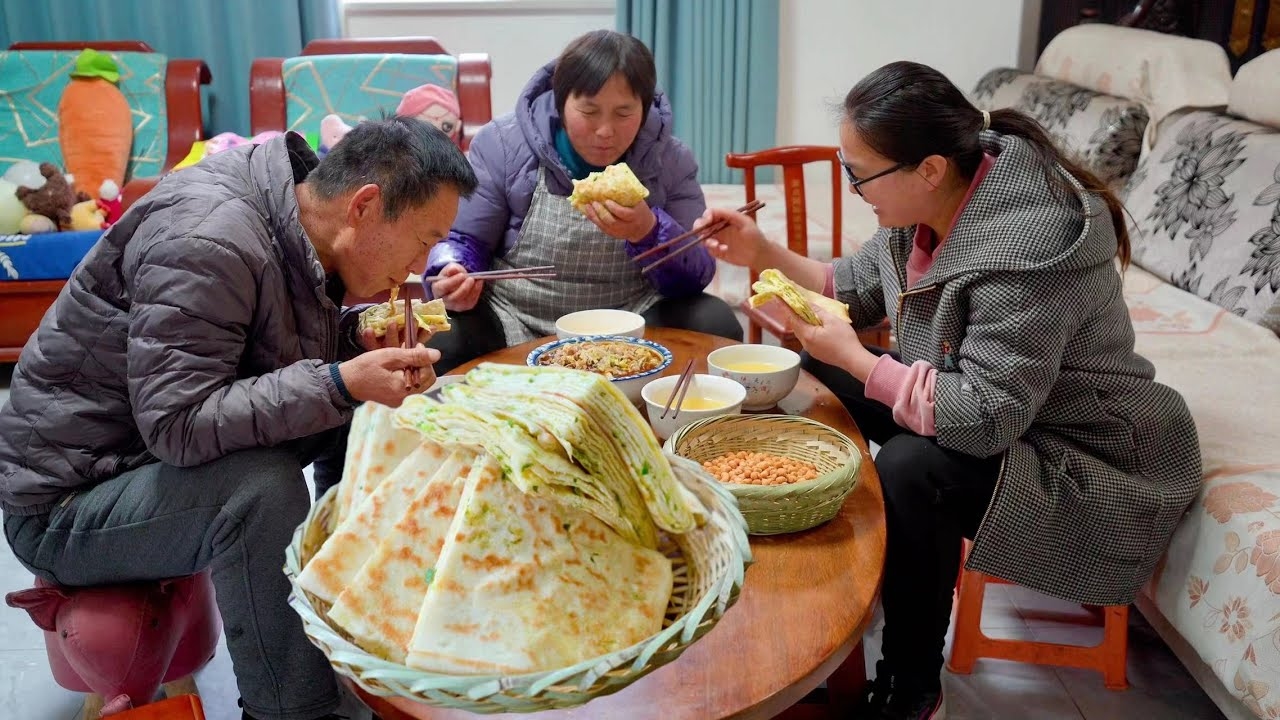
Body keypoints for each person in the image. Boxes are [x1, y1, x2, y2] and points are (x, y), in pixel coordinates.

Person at [697, 61, 1202, 719]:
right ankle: (825, 569)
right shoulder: (934, 198)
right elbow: (853, 286)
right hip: (999, 411)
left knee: (912, 468)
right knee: (812, 370)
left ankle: (911, 686)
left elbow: (990, 417)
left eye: (859, 173)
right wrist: (761, 250)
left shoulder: (1030, 244)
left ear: (928, 168)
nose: (853, 188)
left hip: (1079, 454)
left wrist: (855, 354)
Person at [0, 117, 478, 720]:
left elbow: (254, 353)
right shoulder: (208, 239)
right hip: (66, 500)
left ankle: (350, 597)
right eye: (423, 239)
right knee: (261, 490)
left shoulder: (294, 219)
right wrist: (337, 378)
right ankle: (293, 711)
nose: (419, 267)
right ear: (365, 206)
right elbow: (178, 423)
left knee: (356, 400)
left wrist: (351, 341)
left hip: (128, 459)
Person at [424, 29, 743, 372]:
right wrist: (453, 270)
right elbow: (462, 238)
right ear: (561, 103)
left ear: (645, 105)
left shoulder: (670, 160)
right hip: (515, 317)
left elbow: (695, 276)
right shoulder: (502, 144)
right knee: (442, 341)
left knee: (716, 323)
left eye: (623, 113)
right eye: (589, 111)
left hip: (631, 316)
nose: (606, 131)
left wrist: (649, 230)